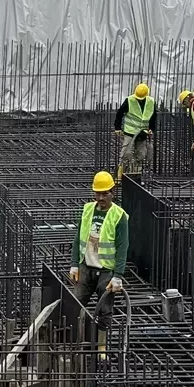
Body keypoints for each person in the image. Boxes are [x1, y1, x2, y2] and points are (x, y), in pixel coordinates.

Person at [69, 171, 129, 357]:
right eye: (98, 193)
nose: (101, 197)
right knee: (76, 303)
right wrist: (74, 264)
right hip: (86, 267)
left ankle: (101, 345)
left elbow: (122, 246)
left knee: (104, 310)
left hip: (106, 270)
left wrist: (118, 275)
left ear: (113, 192)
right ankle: (76, 342)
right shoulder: (87, 209)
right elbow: (78, 237)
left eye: (105, 193)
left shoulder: (119, 216)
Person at [113, 83, 156, 182]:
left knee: (140, 155)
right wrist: (117, 128)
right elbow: (119, 114)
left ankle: (135, 176)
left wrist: (151, 128)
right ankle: (120, 175)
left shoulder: (151, 102)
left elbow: (154, 116)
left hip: (143, 133)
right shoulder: (130, 100)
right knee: (125, 153)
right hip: (130, 132)